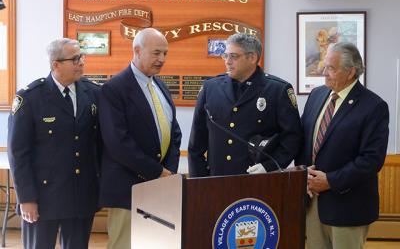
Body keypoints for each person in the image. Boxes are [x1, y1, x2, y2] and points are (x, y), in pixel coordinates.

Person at [7, 38, 100, 249]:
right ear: (56, 64)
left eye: (82, 57)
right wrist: (26, 198)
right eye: (75, 59)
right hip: (43, 197)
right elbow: (18, 153)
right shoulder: (30, 98)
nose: (81, 62)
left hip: (81, 195)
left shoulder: (93, 93)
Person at [296, 42, 389, 249]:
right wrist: (303, 173)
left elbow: (371, 160)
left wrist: (330, 180)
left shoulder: (374, 106)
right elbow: (304, 140)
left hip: (348, 206)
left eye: (331, 68)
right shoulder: (317, 95)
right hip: (313, 203)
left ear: (351, 71)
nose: (324, 73)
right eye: (324, 66)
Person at [98, 28, 182, 249]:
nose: (162, 59)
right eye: (156, 53)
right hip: (127, 189)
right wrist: (158, 172)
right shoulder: (114, 89)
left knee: (155, 243)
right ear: (137, 50)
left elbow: (174, 133)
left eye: (165, 53)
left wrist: (168, 172)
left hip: (159, 186)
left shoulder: (160, 86)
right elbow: (118, 143)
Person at [188, 33, 302, 177]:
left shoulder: (277, 90)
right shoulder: (210, 88)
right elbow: (196, 144)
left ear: (252, 58)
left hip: (258, 181)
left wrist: (269, 166)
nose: (227, 62)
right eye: (225, 56)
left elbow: (292, 137)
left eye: (233, 56)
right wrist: (199, 182)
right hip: (216, 181)